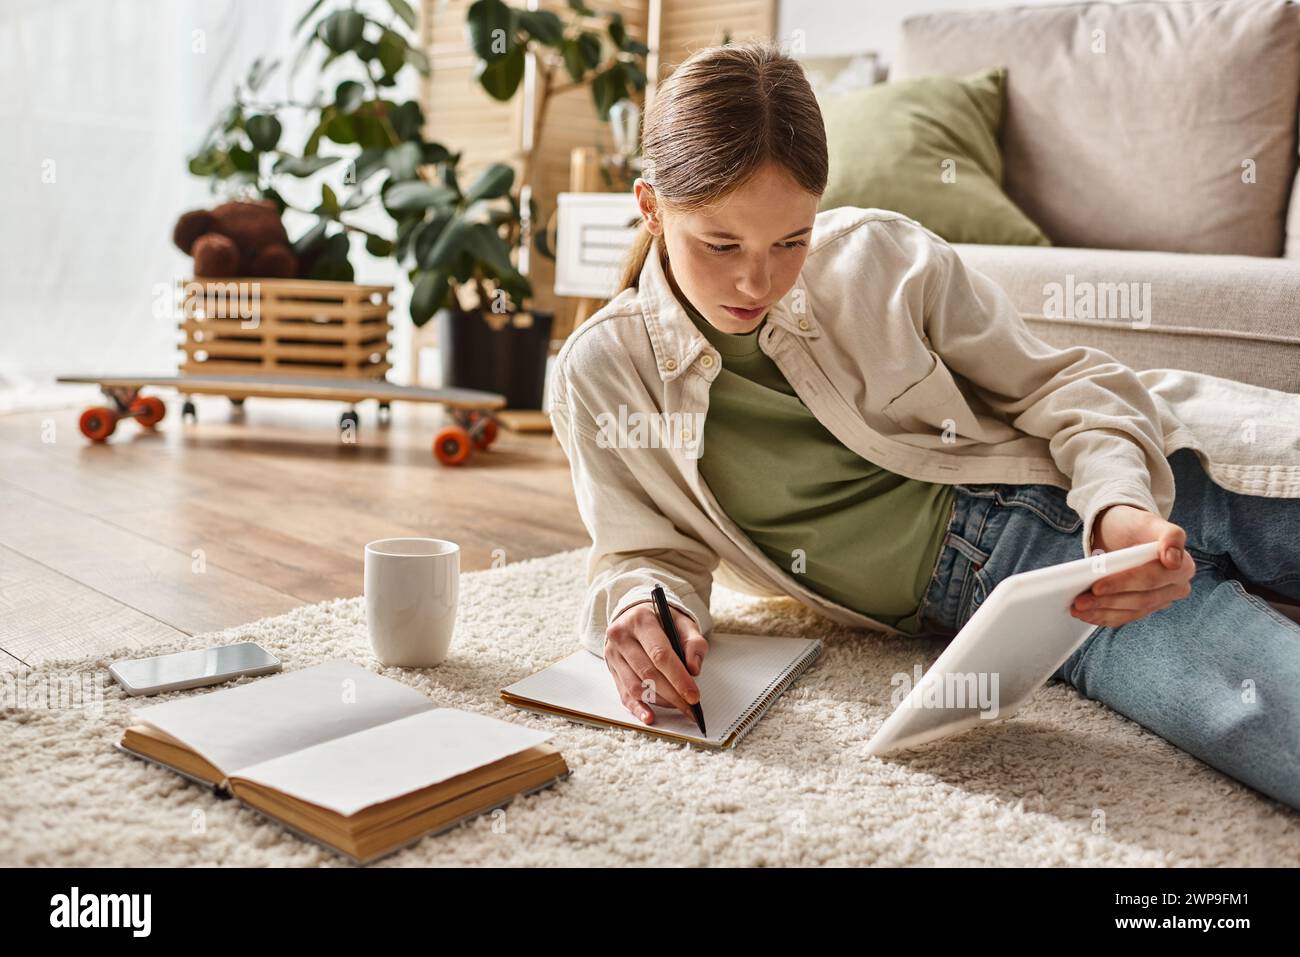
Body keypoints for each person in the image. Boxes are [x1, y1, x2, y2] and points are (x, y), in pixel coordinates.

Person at [546, 41, 1300, 809]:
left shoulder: (882, 256)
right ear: (649, 207)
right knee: (1265, 714)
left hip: (1134, 472)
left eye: (791, 241)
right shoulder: (601, 372)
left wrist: (1117, 507)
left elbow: (1068, 386)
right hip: (1036, 595)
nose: (758, 280)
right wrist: (644, 606)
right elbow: (645, 550)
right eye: (721, 244)